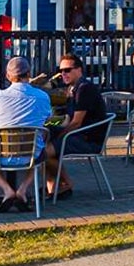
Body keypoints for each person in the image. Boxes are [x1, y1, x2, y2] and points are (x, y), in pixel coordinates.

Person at [0, 56, 54, 212]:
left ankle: (7, 191)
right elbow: (48, 118)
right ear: (29, 74)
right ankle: (22, 190)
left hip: (1, 155)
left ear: (8, 76)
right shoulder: (42, 97)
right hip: (31, 154)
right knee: (41, 157)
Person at [49, 52, 108, 198]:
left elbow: (76, 123)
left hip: (89, 139)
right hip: (80, 134)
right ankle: (53, 188)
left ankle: (66, 184)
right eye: (61, 70)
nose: (63, 74)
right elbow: (67, 118)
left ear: (79, 70)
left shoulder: (84, 89)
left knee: (42, 153)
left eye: (67, 70)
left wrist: (60, 135)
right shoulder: (72, 88)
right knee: (43, 138)